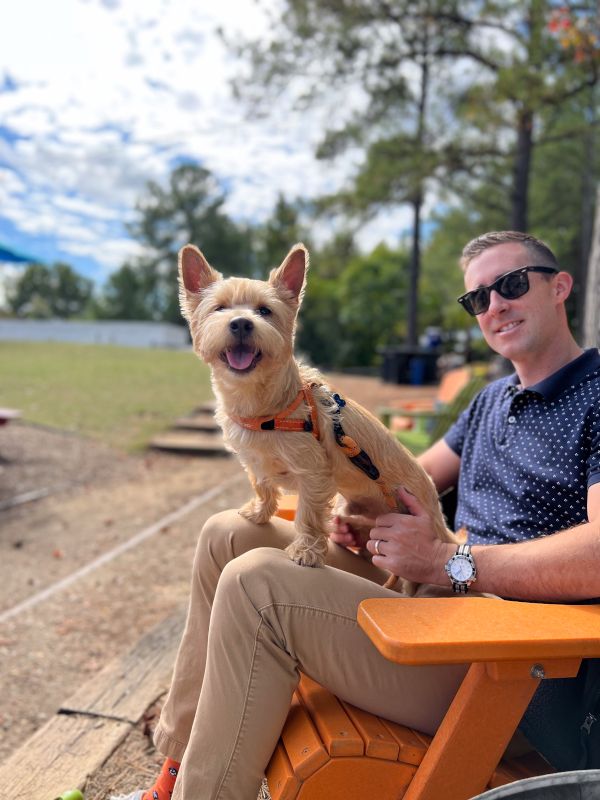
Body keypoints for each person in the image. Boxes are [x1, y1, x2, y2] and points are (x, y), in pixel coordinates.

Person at [114, 231, 600, 800]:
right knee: (230, 534)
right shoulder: (490, 400)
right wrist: (356, 507)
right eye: (478, 298)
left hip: (513, 664)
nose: (495, 306)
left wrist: (452, 562)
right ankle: (174, 771)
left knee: (259, 586)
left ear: (560, 286)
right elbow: (399, 471)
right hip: (434, 605)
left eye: (512, 285)